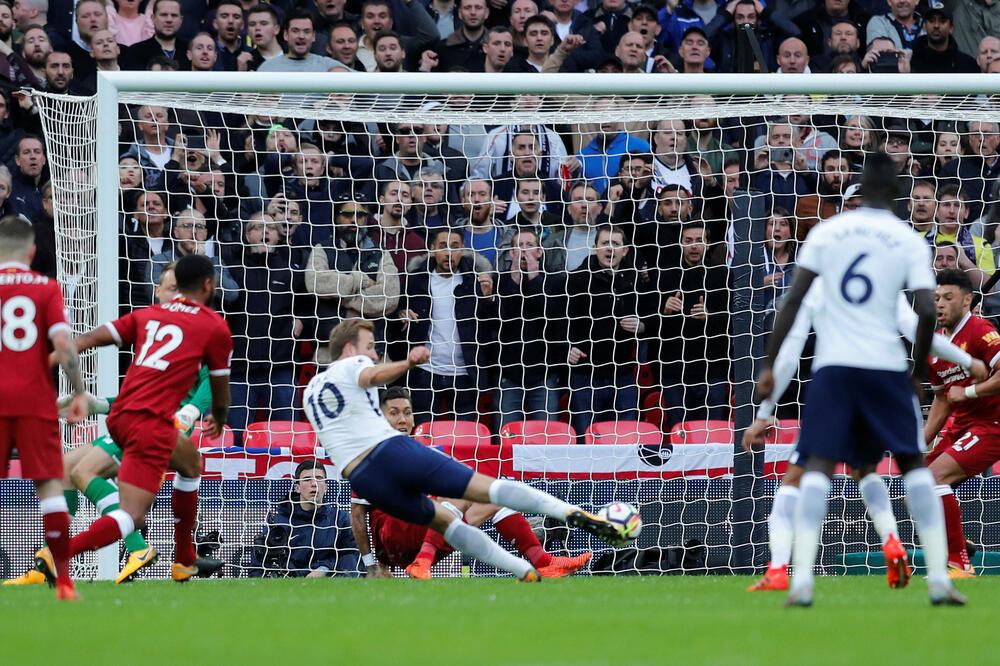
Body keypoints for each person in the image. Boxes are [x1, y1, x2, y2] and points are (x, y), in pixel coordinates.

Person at [755, 153, 964, 606]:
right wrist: (916, 371)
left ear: (860, 188)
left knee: (816, 467)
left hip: (834, 368)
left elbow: (793, 302)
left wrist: (769, 366)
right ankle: (938, 580)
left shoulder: (827, 232)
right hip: (885, 368)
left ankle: (801, 581)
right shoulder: (906, 238)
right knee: (912, 465)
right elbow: (924, 311)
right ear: (896, 194)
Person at [303, 318, 624, 583]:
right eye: (370, 347)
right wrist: (409, 362)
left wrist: (373, 564)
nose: (373, 354)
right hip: (389, 477)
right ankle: (578, 516)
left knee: (457, 515)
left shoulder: (310, 392)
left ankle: (530, 567)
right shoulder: (354, 366)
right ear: (349, 349)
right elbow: (371, 374)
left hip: (369, 485)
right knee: (484, 488)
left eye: (407, 413)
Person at [742, 268, 985, 592]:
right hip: (885, 380)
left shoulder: (819, 286)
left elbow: (790, 349)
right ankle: (895, 543)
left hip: (836, 380)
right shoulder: (886, 281)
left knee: (799, 477)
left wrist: (764, 412)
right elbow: (917, 330)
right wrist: (966, 361)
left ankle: (780, 569)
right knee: (870, 471)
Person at [11, 264, 214, 586]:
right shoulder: (154, 330)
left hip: (159, 426)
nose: (176, 294)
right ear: (157, 292)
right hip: (134, 419)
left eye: (180, 288)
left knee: (83, 471)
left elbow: (211, 381)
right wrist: (98, 405)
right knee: (64, 467)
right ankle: (51, 563)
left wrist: (188, 413)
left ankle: (133, 548)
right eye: (170, 288)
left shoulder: (193, 329)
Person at [350, 387, 592, 579]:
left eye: (407, 413)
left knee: (492, 495)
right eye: (394, 413)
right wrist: (372, 565)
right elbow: (358, 516)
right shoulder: (371, 459)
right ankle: (423, 560)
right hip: (394, 540)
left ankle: (543, 562)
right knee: (460, 489)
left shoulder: (427, 453)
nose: (403, 419)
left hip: (424, 535)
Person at [0, 216, 89, 600]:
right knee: (50, 486)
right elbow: (64, 344)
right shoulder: (46, 287)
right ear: (32, 251)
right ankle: (64, 582)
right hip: (35, 400)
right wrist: (79, 391)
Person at [923, 269, 1000, 577]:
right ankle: (960, 544)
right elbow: (943, 399)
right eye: (936, 298)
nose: (940, 304)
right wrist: (921, 439)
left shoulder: (981, 331)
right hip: (962, 426)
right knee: (917, 489)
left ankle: (960, 564)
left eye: (948, 297)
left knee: (934, 479)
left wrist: (968, 391)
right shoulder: (936, 347)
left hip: (992, 425)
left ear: (967, 301)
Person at [566, 224, 657, 437]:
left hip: (623, 376)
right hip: (585, 376)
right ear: (595, 247)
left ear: (625, 251)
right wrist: (567, 348)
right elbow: (559, 322)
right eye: (605, 243)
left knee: (625, 441)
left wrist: (642, 325)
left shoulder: (636, 281)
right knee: (588, 440)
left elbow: (654, 318)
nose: (610, 248)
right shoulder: (576, 280)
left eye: (615, 244)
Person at [400, 226, 495, 424]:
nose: (449, 253)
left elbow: (491, 326)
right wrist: (402, 313)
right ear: (433, 249)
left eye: (455, 246)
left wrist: (488, 299)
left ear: (463, 250)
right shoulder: (416, 280)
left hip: (464, 374)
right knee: (424, 433)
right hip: (425, 373)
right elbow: (399, 320)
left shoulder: (476, 280)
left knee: (463, 436)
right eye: (443, 246)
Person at [249, 459, 361, 577]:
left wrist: (325, 568)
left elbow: (353, 558)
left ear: (326, 487)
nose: (314, 484)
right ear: (297, 488)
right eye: (307, 479)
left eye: (319, 478)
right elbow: (257, 568)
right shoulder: (279, 523)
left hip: (330, 582)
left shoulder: (341, 519)